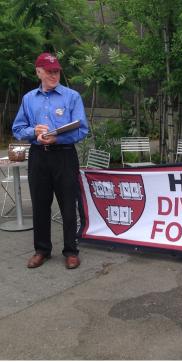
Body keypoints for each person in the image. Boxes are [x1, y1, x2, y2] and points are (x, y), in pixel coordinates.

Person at [12, 52, 89, 269]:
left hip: (64, 155)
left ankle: (71, 251)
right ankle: (42, 250)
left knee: (68, 204)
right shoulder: (28, 99)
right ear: (38, 72)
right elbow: (17, 129)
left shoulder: (71, 96)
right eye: (49, 71)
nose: (53, 75)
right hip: (38, 156)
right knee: (40, 204)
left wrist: (59, 137)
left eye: (56, 71)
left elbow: (82, 129)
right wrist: (32, 131)